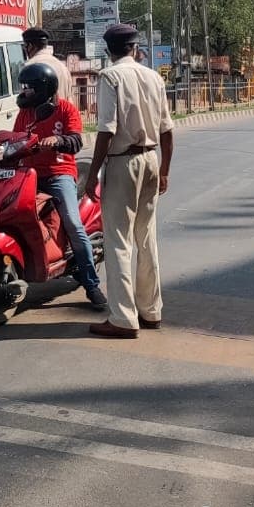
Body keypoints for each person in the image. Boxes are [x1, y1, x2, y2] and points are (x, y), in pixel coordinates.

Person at [82, 23, 175, 338]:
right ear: (135, 49)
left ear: (109, 50)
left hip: (123, 163)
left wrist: (93, 174)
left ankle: (122, 318)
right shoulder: (153, 77)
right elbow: (167, 130)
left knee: (118, 241)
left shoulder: (110, 77)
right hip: (151, 159)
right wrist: (164, 170)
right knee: (146, 238)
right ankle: (151, 311)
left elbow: (106, 130)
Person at [13, 64, 107, 310]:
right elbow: (15, 140)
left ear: (44, 89)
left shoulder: (66, 109)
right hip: (29, 175)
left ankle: (91, 284)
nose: (25, 93)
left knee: (73, 225)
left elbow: (76, 141)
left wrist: (58, 140)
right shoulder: (25, 113)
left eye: (29, 88)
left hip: (59, 174)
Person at [21, 27, 71, 98]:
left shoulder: (29, 67)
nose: (25, 50)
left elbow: (24, 99)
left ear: (30, 46)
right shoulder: (62, 67)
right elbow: (69, 99)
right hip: (62, 105)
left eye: (25, 46)